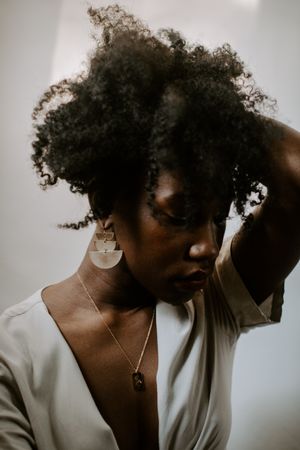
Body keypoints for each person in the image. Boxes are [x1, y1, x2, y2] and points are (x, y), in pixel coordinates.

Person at [0, 4, 299, 450]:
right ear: (104, 203)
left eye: (219, 218)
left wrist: (201, 114)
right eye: (179, 213)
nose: (207, 246)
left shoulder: (215, 303)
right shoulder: (12, 357)